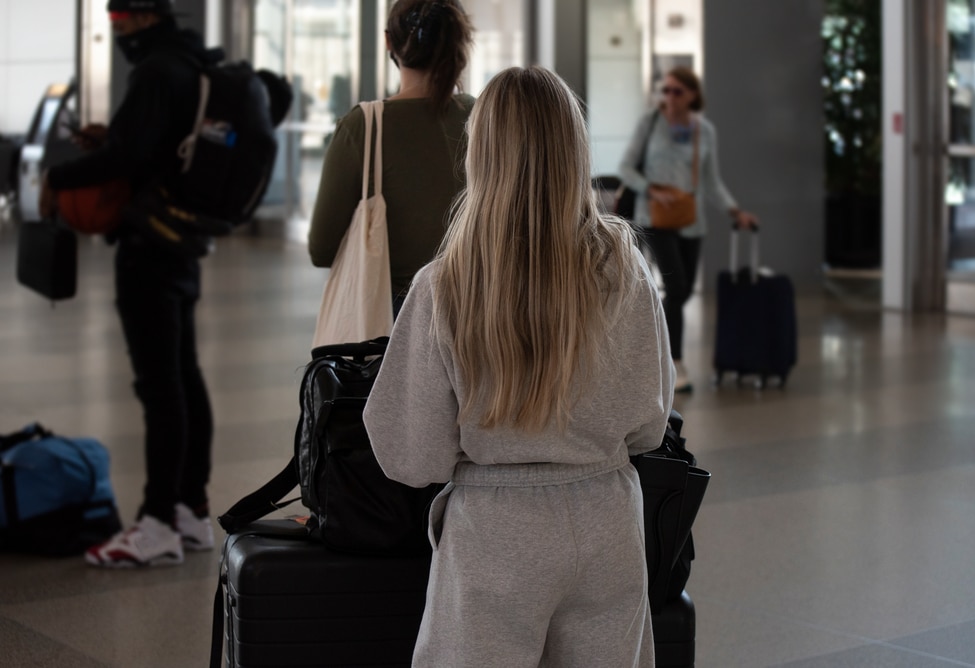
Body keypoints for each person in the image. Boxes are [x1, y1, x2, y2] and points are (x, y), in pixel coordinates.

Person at [363, 66, 674, 668]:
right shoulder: (624, 270)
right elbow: (649, 425)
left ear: (482, 152)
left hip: (495, 529)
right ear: (574, 150)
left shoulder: (447, 284)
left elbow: (413, 454)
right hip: (608, 514)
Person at [38, 0, 217, 567]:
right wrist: (113, 139)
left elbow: (127, 154)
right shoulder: (189, 64)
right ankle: (190, 509)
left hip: (148, 248)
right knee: (183, 377)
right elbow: (148, 148)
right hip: (182, 239)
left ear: (139, 17)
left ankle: (157, 521)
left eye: (116, 20)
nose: (116, 30)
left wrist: (57, 176)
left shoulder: (155, 71)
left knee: (159, 386)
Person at [309, 0, 475, 310]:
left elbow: (322, 249)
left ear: (389, 41)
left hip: (394, 316)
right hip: (481, 307)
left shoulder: (364, 125)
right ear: (458, 43)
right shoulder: (482, 115)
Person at [619, 66, 759, 392]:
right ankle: (674, 362)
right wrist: (653, 189)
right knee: (678, 287)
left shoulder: (704, 131)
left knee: (677, 294)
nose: (669, 97)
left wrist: (734, 210)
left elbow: (711, 181)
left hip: (692, 222)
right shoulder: (650, 123)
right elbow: (626, 167)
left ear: (693, 95)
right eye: (664, 91)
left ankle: (663, 357)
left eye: (677, 91)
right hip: (654, 217)